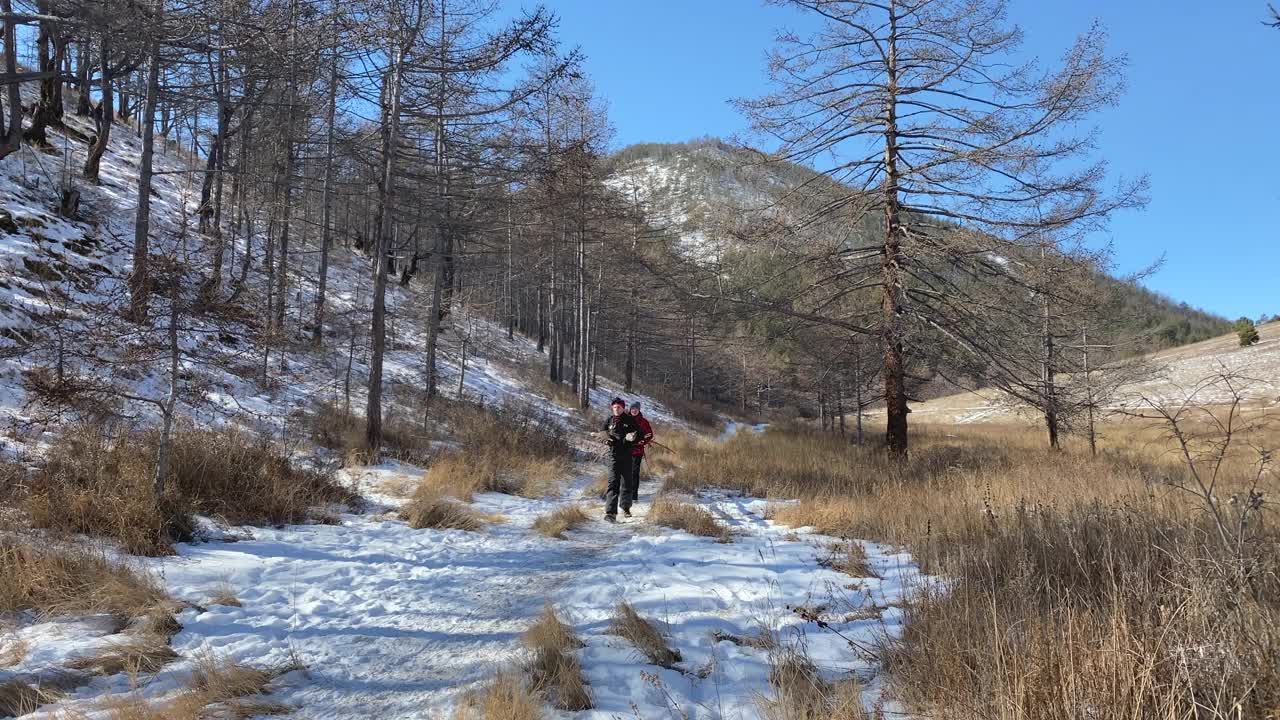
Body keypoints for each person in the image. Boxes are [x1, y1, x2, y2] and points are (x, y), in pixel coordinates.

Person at [600, 397, 641, 522]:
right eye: (614, 407)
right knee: (613, 482)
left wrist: (632, 438)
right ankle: (611, 513)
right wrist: (605, 439)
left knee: (627, 482)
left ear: (623, 408)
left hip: (627, 455)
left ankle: (626, 506)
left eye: (619, 407)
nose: (616, 409)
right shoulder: (609, 420)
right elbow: (602, 433)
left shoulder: (630, 420)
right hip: (613, 455)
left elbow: (640, 434)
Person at [625, 402, 654, 515]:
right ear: (630, 409)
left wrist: (644, 441)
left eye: (636, 409)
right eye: (632, 409)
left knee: (634, 472)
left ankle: (634, 496)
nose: (634, 411)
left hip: (637, 451)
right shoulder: (625, 419)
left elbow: (649, 434)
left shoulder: (643, 421)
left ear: (639, 410)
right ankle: (624, 494)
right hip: (625, 450)